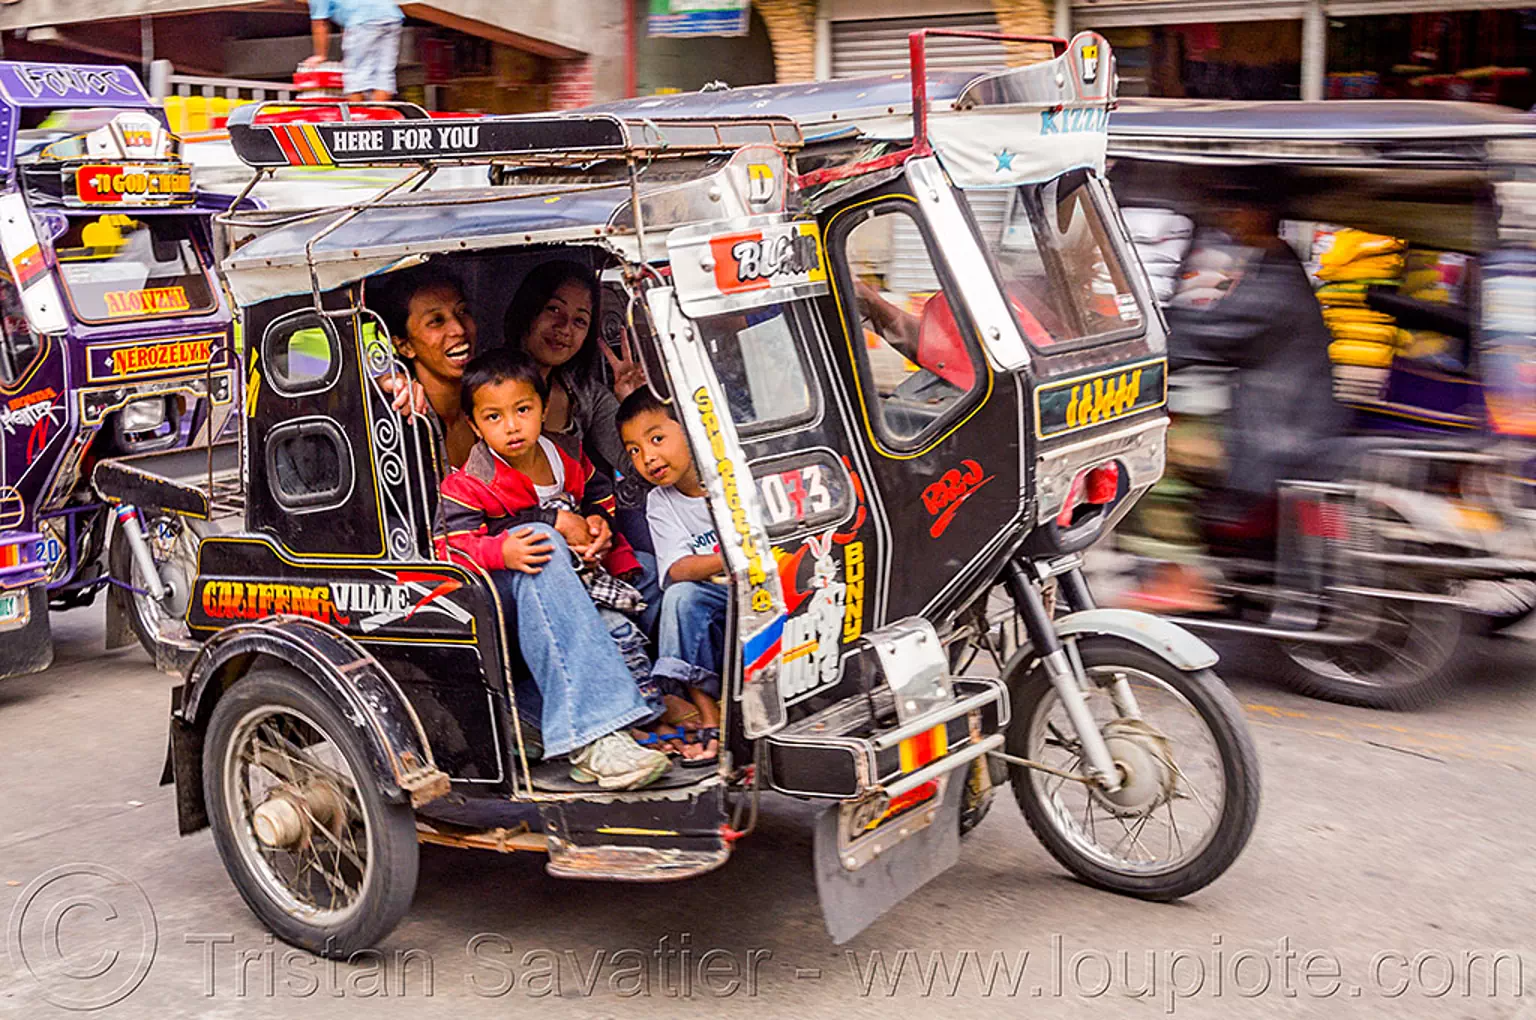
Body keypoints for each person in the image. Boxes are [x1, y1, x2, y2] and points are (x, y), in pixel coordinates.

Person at [435, 348, 669, 790]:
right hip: (498, 590)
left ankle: (661, 695)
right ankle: (595, 736)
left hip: (578, 576)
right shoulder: (471, 482)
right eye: (493, 417)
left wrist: (601, 527)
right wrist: (502, 551)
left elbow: (598, 498)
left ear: (544, 409)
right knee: (541, 544)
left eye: (522, 410)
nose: (511, 426)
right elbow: (449, 545)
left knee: (657, 573)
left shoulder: (566, 456)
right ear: (475, 425)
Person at [1120, 186, 1348, 611]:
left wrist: (1137, 344)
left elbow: (1210, 333)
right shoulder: (1274, 268)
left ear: (1255, 215)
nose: (1227, 219)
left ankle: (1177, 574)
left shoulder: (1276, 281)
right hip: (1277, 417)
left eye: (1233, 210)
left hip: (1278, 434)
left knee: (1155, 454)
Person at [617, 389, 724, 762]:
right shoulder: (660, 502)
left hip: (766, 590)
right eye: (633, 450)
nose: (647, 457)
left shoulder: (730, 472)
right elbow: (677, 569)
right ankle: (709, 715)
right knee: (681, 597)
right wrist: (729, 557)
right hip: (720, 603)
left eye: (657, 439)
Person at [372, 264, 479, 468]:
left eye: (462, 311)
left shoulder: (489, 401)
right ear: (405, 346)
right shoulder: (401, 420)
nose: (458, 329)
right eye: (436, 321)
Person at [303, 0, 404, 102]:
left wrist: (320, 55)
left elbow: (320, 24)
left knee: (355, 77)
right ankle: (379, 114)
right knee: (383, 74)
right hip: (391, 16)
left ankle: (358, 115)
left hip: (363, 22)